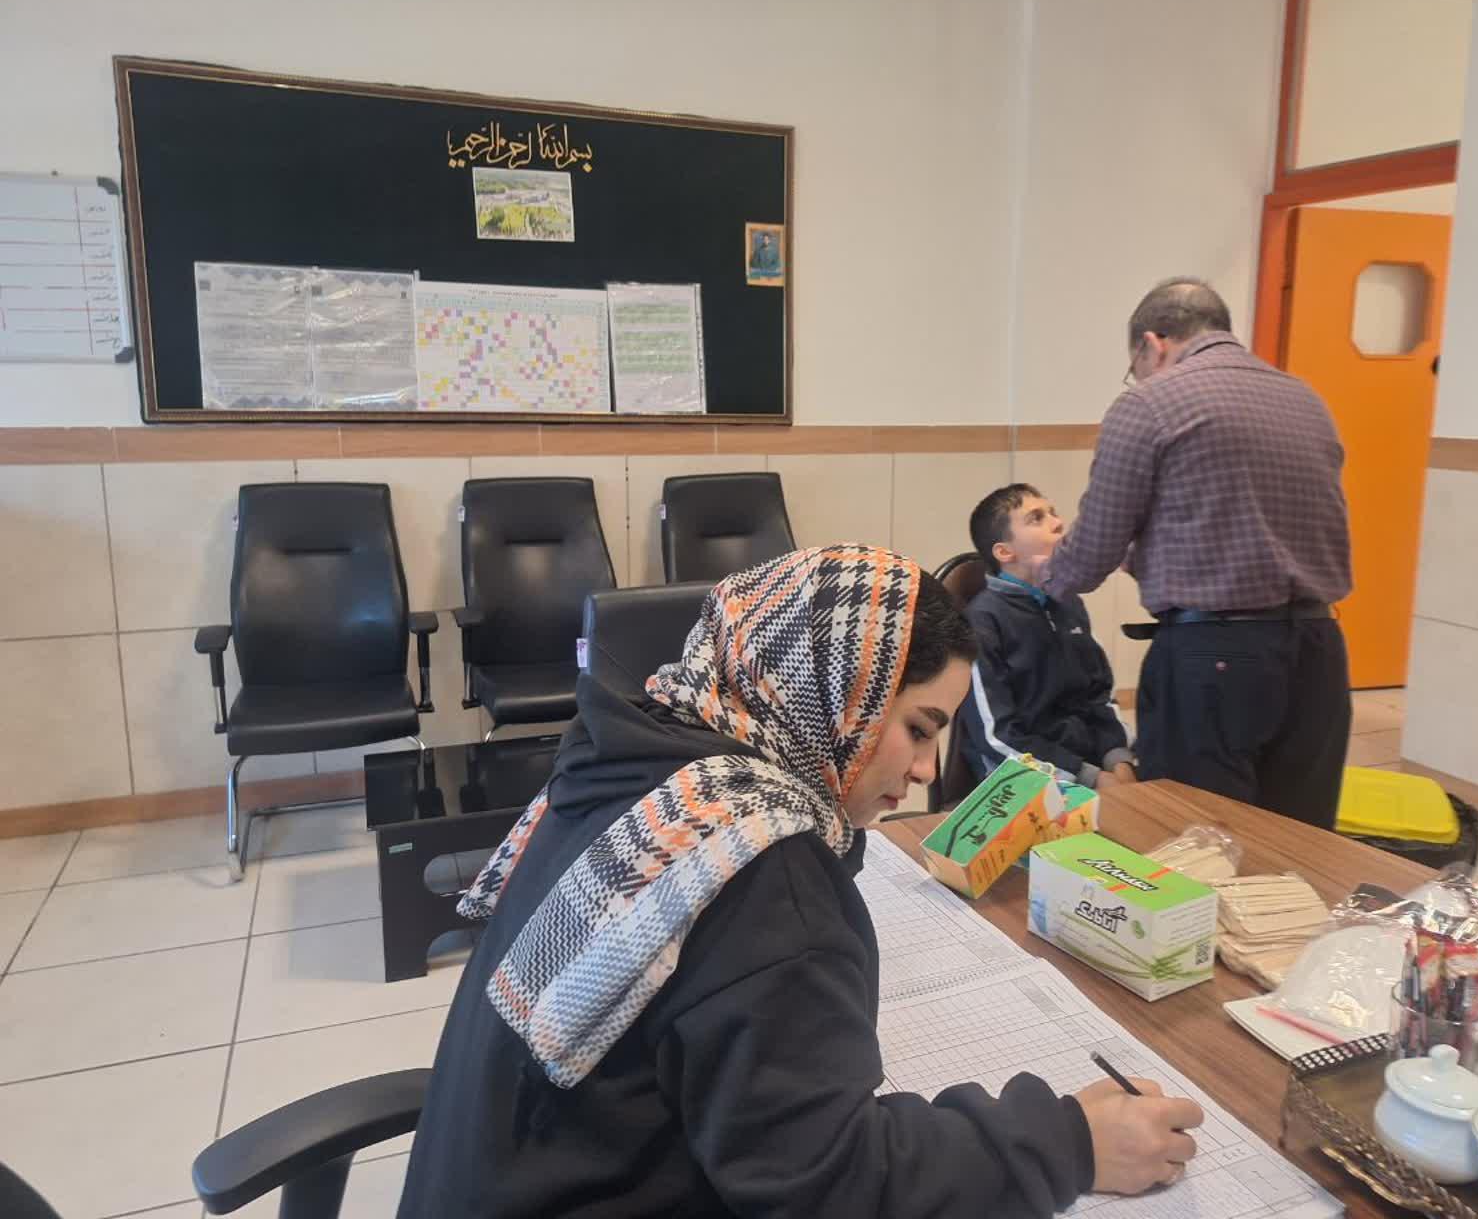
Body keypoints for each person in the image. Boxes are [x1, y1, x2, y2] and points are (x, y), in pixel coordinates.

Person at [400, 545, 1204, 1217]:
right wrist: (1068, 1144)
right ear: (840, 697)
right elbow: (832, 1185)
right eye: (917, 728)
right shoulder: (756, 863)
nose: (926, 771)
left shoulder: (640, 760)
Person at [1043, 278, 1353, 830]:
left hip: (1215, 657)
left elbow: (1091, 551)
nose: (1138, 377)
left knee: (1196, 838)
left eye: (1135, 366)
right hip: (1319, 649)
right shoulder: (1305, 399)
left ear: (1152, 344)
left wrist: (1035, 585)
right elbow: (1247, 521)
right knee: (1299, 841)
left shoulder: (1149, 402)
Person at [956, 484, 1136, 794]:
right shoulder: (982, 620)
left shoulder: (1069, 604)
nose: (1058, 523)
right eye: (1037, 518)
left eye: (1053, 513)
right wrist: (1089, 777)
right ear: (1004, 552)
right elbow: (996, 736)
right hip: (1025, 778)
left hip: (1093, 768)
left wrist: (1119, 760)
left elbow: (1099, 697)